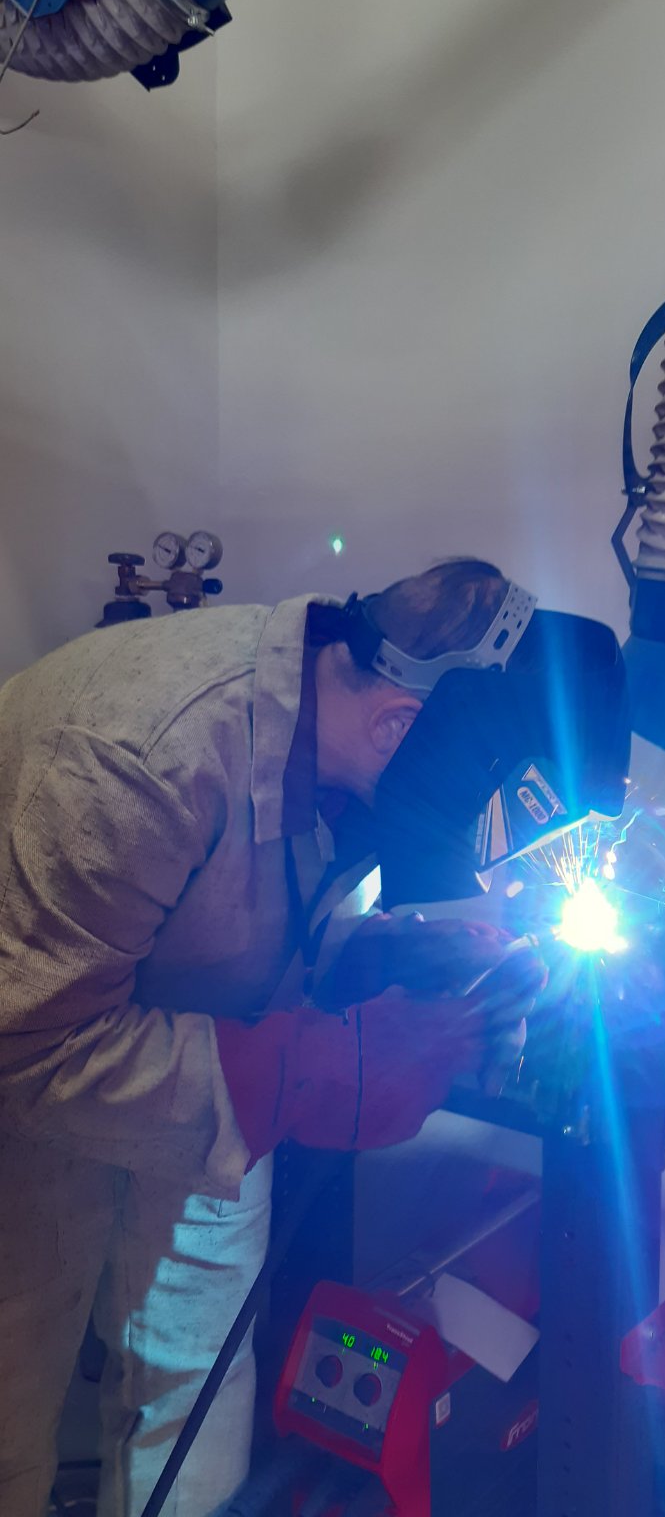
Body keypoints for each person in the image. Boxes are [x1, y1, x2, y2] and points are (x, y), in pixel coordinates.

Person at [0, 559, 543, 1517]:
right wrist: (327, 1069)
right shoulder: (141, 758)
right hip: (32, 1073)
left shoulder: (331, 723)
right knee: (10, 1399)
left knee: (198, 1384)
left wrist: (380, 954)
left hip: (191, 1054)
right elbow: (32, 1050)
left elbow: (244, 904)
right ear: (396, 725)